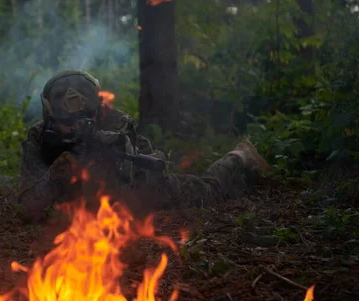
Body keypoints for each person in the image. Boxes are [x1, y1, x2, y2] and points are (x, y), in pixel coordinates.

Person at [16, 70, 272, 221]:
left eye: (84, 121)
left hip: (142, 182)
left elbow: (126, 197)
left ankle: (240, 155)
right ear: (49, 116)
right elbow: (26, 204)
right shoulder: (39, 137)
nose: (75, 129)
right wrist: (56, 174)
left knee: (210, 191)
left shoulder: (116, 124)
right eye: (66, 124)